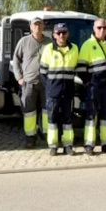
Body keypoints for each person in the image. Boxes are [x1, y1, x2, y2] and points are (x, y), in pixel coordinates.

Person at [77, 18, 106, 155]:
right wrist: (87, 82)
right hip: (94, 87)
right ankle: (89, 145)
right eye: (99, 28)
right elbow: (81, 67)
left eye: (104, 27)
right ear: (94, 29)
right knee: (91, 114)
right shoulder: (87, 45)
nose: (102, 30)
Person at [39, 23, 79, 156]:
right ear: (54, 35)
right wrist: (50, 88)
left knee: (68, 119)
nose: (61, 35)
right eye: (58, 33)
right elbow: (43, 72)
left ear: (68, 33)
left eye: (64, 32)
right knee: (52, 118)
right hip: (53, 92)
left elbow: (76, 70)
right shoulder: (48, 49)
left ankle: (68, 145)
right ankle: (53, 145)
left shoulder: (74, 49)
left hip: (68, 91)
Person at [13, 17, 52, 149]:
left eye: (39, 24)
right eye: (35, 25)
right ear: (30, 27)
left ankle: (47, 136)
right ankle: (30, 138)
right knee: (29, 112)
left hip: (46, 83)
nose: (37, 27)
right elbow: (16, 60)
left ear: (43, 27)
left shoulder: (49, 42)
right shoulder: (24, 42)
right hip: (29, 82)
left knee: (47, 110)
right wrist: (19, 78)